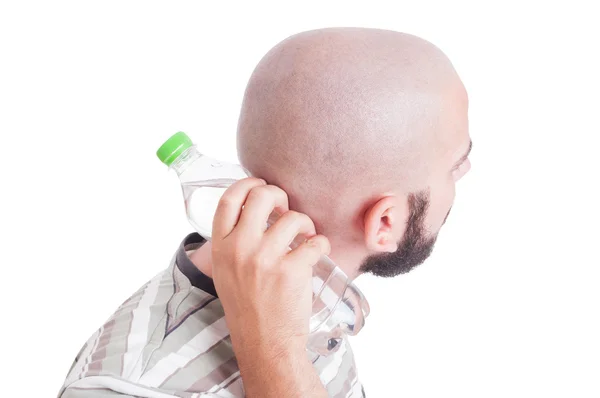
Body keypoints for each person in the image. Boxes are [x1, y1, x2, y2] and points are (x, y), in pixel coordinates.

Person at [58, 27, 471, 398]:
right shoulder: (133, 386)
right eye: (456, 165)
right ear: (385, 221)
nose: (466, 172)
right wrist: (272, 351)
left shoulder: (313, 302)